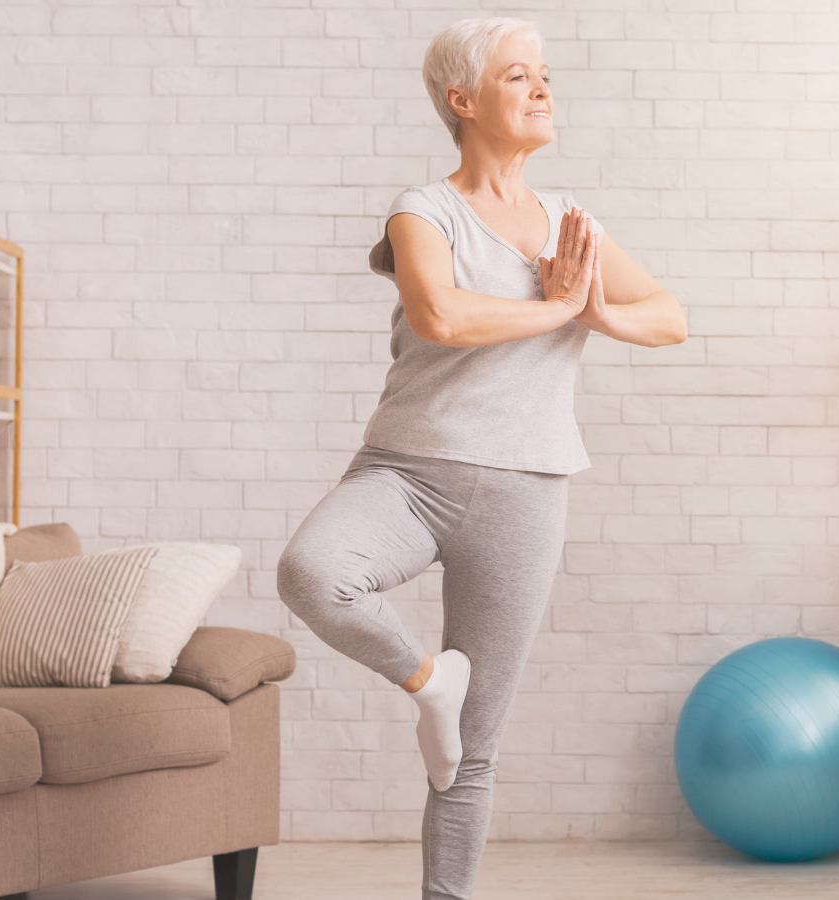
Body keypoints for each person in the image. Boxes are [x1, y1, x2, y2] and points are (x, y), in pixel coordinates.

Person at [276, 16, 687, 900]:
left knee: (474, 751)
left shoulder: (571, 223)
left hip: (527, 490)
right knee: (312, 574)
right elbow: (443, 317)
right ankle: (430, 682)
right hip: (407, 473)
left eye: (544, 75)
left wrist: (595, 311)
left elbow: (669, 316)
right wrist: (559, 305)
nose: (542, 89)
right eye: (517, 77)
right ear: (462, 101)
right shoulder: (423, 211)